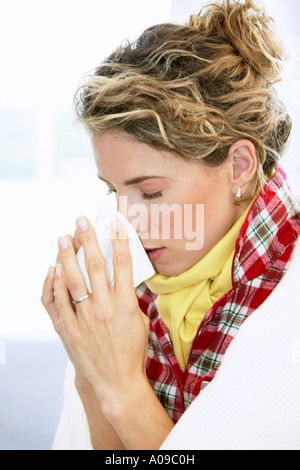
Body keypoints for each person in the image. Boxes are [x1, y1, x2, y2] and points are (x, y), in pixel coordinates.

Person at [41, 0, 300, 450]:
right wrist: (90, 372)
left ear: (239, 166)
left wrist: (123, 390)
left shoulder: (286, 300)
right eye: (112, 191)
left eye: (152, 192)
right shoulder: (130, 298)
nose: (126, 222)